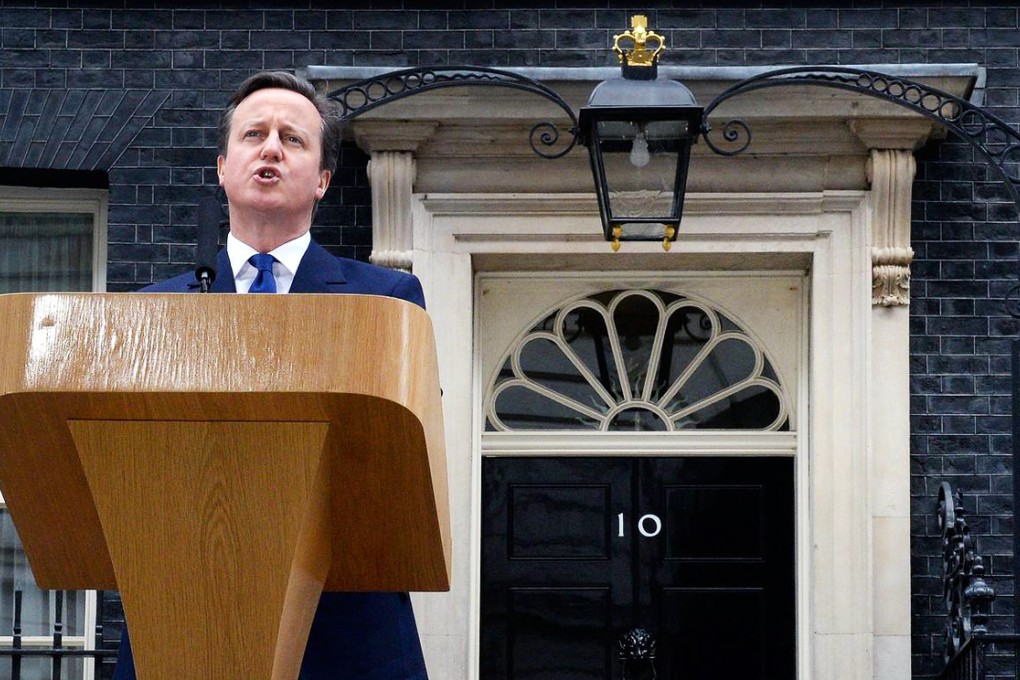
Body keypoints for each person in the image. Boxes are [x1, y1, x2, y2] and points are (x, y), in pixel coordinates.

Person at [112, 71, 429, 680]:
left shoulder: (387, 300)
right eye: (254, 134)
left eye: (293, 138)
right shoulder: (155, 309)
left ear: (323, 181)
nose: (271, 148)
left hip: (343, 626)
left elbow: (402, 464)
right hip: (184, 614)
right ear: (223, 167)